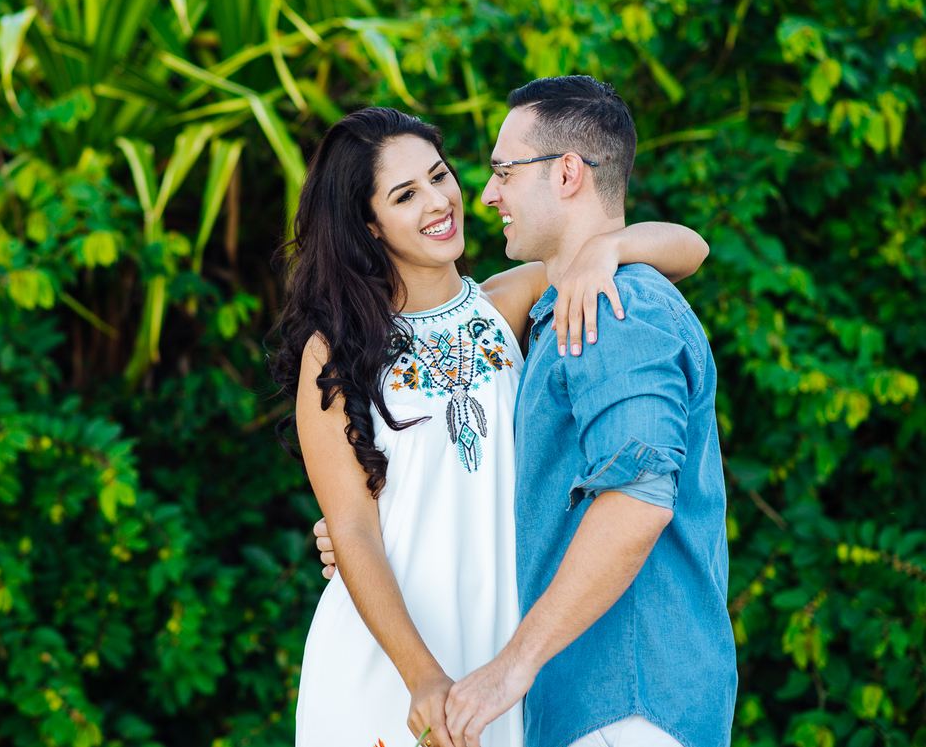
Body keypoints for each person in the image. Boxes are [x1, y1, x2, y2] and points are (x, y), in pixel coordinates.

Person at [271, 105, 709, 747]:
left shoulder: (516, 299)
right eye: (405, 194)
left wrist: (608, 248)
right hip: (393, 658)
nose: (439, 200)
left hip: (504, 652)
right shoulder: (334, 351)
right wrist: (421, 679)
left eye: (440, 175)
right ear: (369, 225)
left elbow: (690, 248)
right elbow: (355, 532)